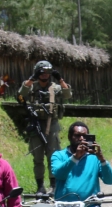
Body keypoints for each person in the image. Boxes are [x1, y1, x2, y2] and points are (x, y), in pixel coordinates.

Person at [18, 60, 72, 194]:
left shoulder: (55, 87)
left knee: (53, 156)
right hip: (35, 126)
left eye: (47, 73)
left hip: (51, 125)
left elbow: (68, 94)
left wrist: (60, 79)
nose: (44, 75)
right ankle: (40, 186)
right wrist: (32, 78)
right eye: (41, 72)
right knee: (37, 157)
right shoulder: (32, 87)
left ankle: (53, 186)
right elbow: (21, 94)